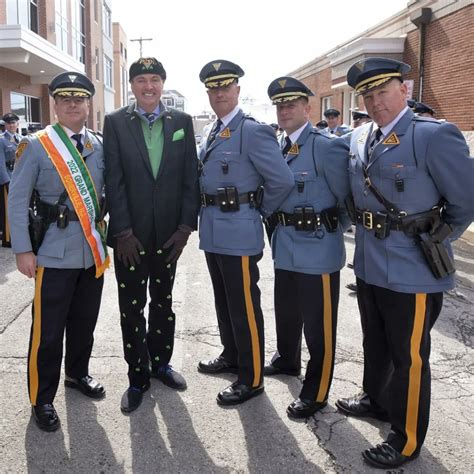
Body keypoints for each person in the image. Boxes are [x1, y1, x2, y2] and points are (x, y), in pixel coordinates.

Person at [336, 57, 474, 469]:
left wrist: (435, 238)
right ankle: (376, 399)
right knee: (374, 343)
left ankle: (406, 437)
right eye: (367, 94)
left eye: (383, 91)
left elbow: (465, 201)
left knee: (409, 357)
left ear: (405, 91)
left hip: (413, 267)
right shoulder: (361, 137)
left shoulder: (433, 135)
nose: (376, 101)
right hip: (370, 263)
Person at [8, 72, 108, 432]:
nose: (72, 105)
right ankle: (42, 398)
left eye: (79, 99)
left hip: (90, 254)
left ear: (87, 105)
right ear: (54, 104)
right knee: (47, 332)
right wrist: (22, 250)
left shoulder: (98, 145)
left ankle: (77, 375)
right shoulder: (36, 145)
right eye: (65, 99)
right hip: (52, 252)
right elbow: (17, 201)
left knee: (84, 323)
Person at [103, 57, 200, 414]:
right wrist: (123, 232)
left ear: (163, 83)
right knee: (132, 308)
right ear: (131, 85)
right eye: (142, 79)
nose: (149, 86)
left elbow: (191, 176)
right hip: (132, 238)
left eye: (155, 79)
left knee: (163, 302)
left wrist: (186, 228)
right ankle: (137, 376)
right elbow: (114, 179)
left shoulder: (182, 122)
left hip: (169, 237)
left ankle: (161, 364)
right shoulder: (114, 122)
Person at [196, 59, 293, 405]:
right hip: (212, 231)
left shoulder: (252, 131)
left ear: (238, 90)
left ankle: (251, 378)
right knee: (224, 300)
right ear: (208, 93)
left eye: (226, 86)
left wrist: (256, 212)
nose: (220, 93)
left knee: (244, 305)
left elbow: (282, 181)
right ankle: (232, 355)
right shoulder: (213, 130)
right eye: (213, 88)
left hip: (238, 231)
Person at [264, 77, 350, 418]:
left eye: (291, 104)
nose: (284, 110)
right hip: (285, 247)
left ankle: (316, 391)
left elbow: (347, 202)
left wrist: (326, 228)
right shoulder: (279, 146)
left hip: (317, 249)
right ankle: (287, 360)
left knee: (318, 326)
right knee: (286, 313)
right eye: (279, 105)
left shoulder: (327, 147)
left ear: (307, 108)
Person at [0, 113, 21, 248]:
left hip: (20, 177)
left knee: (19, 208)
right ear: (5, 125)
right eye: (9, 123)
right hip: (8, 177)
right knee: (8, 209)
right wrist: (6, 180)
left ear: (17, 124)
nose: (11, 125)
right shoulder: (1, 140)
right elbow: (0, 162)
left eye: (13, 123)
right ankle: (8, 238)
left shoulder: (22, 139)